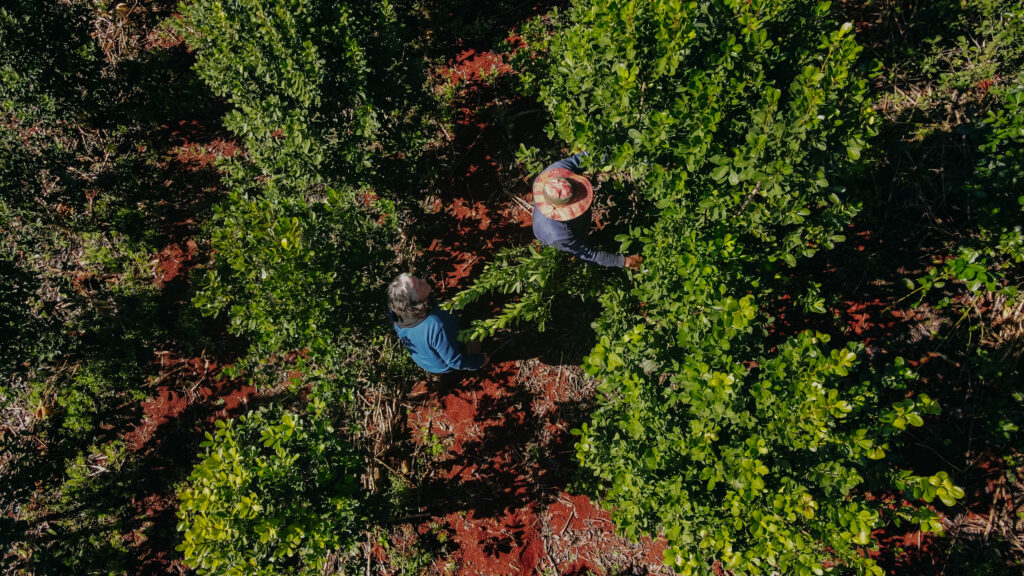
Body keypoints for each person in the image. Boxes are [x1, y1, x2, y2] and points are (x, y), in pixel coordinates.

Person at [532, 153, 642, 269]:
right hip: (552, 236)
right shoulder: (559, 234)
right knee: (575, 244)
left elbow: (585, 156)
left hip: (568, 227)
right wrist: (624, 261)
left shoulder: (555, 173)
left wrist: (617, 156)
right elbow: (590, 254)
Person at [387, 273, 489, 374]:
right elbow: (455, 361)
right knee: (474, 338)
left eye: (417, 278)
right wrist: (480, 360)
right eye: (419, 284)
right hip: (444, 366)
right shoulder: (435, 325)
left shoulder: (396, 313)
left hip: (429, 361)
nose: (423, 280)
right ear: (415, 300)